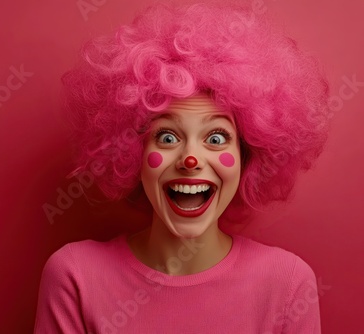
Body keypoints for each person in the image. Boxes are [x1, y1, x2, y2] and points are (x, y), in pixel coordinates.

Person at [35, 2, 329, 333]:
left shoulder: (287, 284)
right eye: (168, 136)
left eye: (216, 138)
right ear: (133, 152)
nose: (191, 159)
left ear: (247, 156)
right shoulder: (76, 276)